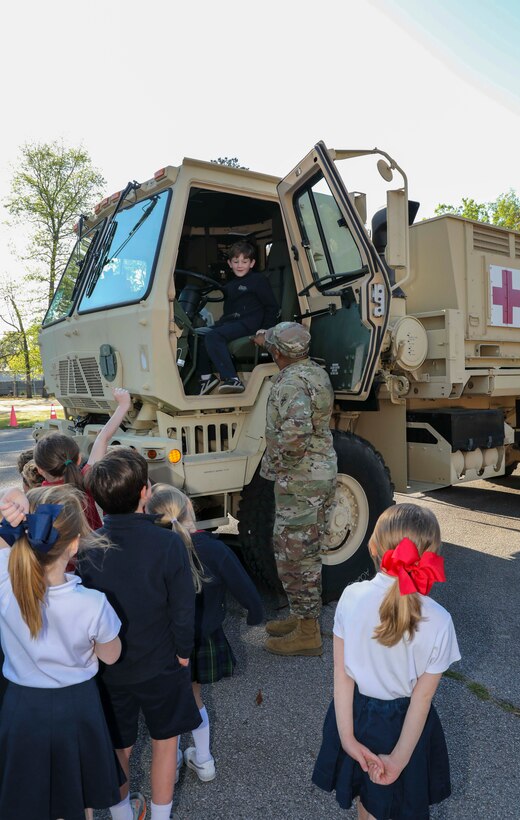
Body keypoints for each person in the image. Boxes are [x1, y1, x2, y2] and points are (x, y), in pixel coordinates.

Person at [312, 503, 461, 819]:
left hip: (354, 715)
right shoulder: (440, 621)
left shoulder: (351, 598)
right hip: (404, 728)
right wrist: (399, 759)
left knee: (366, 803)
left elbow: (342, 676)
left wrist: (348, 738)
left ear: (373, 546)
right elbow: (421, 700)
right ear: (432, 555)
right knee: (396, 805)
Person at [79, 449, 201, 820]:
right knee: (166, 743)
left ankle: (121, 815)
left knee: (120, 747)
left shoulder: (89, 547)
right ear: (145, 492)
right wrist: (183, 652)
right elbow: (183, 607)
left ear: (98, 500)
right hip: (161, 661)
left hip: (110, 668)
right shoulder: (168, 543)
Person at [0, 484, 126, 820]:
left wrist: (13, 501)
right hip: (77, 706)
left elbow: (2, 541)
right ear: (74, 546)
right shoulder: (92, 604)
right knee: (77, 793)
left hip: (22, 706)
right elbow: (111, 656)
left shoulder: (4, 586)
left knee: (28, 794)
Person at [146, 484, 264, 782]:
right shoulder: (214, 548)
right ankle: (204, 760)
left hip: (163, 642)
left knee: (169, 703)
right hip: (204, 638)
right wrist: (255, 613)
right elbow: (243, 585)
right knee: (196, 698)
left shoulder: (155, 551)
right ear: (190, 508)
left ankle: (169, 764)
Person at [253, 321, 337, 656]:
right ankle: (303, 618)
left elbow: (295, 434)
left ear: (277, 352)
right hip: (316, 474)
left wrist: (280, 466)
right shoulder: (315, 372)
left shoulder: (290, 382)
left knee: (295, 556)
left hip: (301, 479)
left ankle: (307, 634)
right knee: (303, 552)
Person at [32, 386, 132, 529]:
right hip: (94, 549)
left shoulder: (37, 499)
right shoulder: (84, 482)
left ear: (40, 469)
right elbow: (102, 438)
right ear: (78, 459)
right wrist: (123, 405)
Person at [196, 240, 279, 395]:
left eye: (244, 261)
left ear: (252, 263)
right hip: (232, 322)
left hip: (250, 323)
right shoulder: (231, 285)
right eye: (236, 261)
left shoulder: (258, 281)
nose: (240, 265)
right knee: (198, 334)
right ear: (229, 263)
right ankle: (206, 378)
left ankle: (232, 379)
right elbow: (229, 311)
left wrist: (266, 329)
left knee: (214, 336)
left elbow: (271, 307)